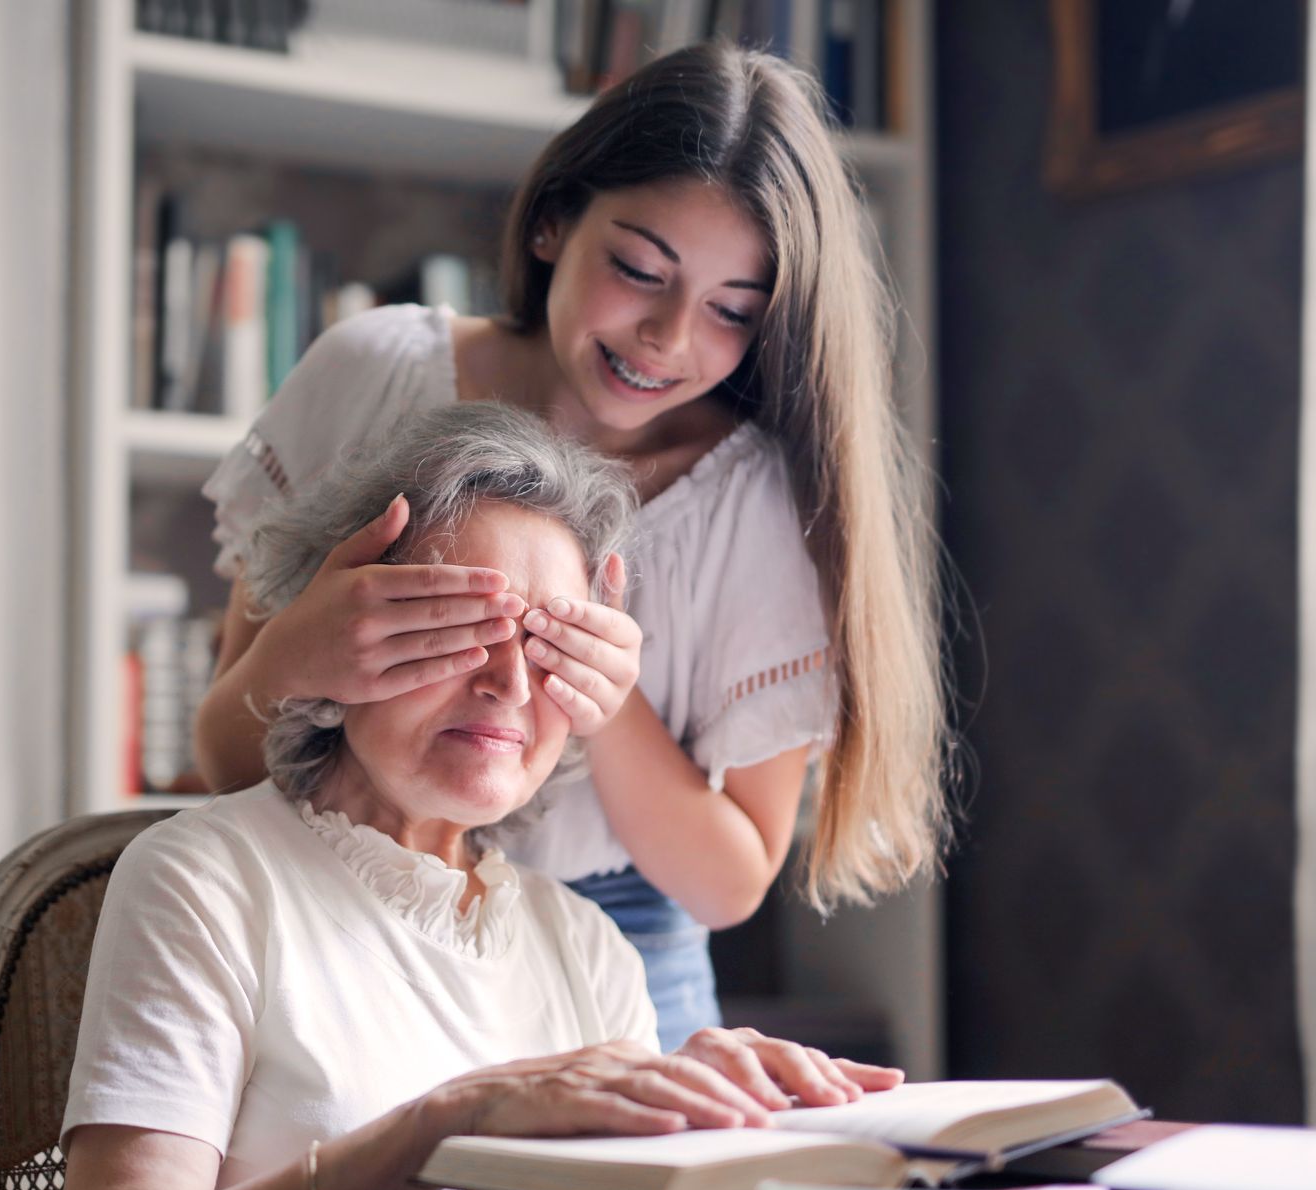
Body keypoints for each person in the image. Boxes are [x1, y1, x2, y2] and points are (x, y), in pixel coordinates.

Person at [194, 42, 950, 1050]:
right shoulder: (371, 373)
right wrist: (299, 653)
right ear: (553, 222)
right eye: (638, 269)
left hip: (622, 953)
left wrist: (598, 693)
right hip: (341, 912)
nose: (667, 337)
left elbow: (730, 881)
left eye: (732, 311)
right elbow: (221, 758)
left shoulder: (754, 503)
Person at [56, 405, 902, 1190]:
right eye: (459, 627)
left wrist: (726, 1128)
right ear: (348, 634)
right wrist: (447, 1123)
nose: (507, 682)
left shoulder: (589, 951)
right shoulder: (204, 883)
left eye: (549, 645)